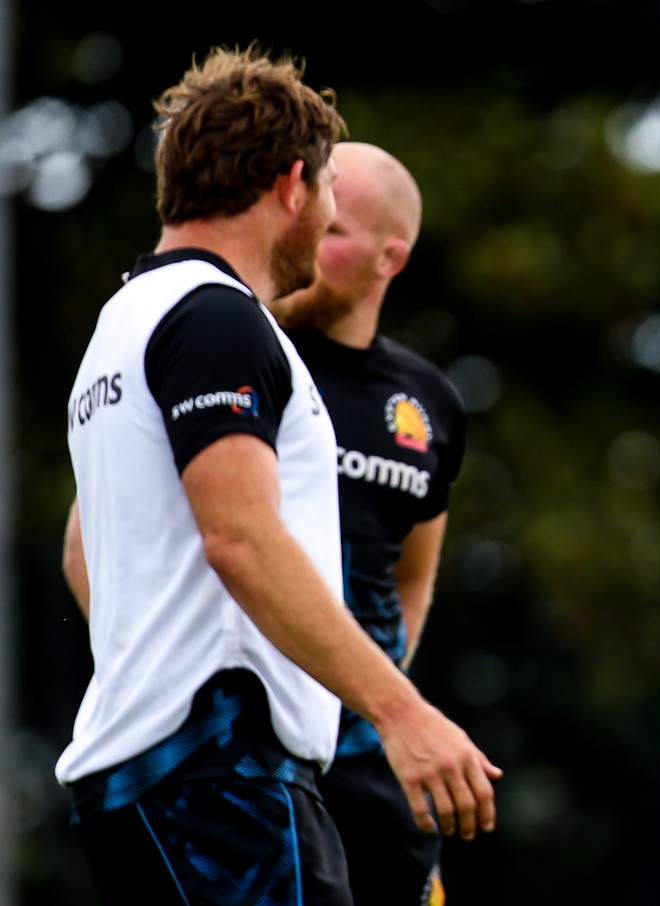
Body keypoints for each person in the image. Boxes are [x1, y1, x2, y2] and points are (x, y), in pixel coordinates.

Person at [59, 46, 500, 905]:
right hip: (221, 771)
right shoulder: (219, 319)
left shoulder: (121, 323)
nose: (328, 210)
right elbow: (242, 540)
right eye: (330, 191)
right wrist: (400, 711)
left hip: (146, 774)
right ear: (293, 185)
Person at [268, 141, 466, 905]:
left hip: (375, 754)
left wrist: (380, 698)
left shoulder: (429, 402)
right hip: (255, 749)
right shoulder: (239, 353)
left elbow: (412, 574)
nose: (307, 238)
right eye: (302, 214)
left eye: (334, 227)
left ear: (392, 257)